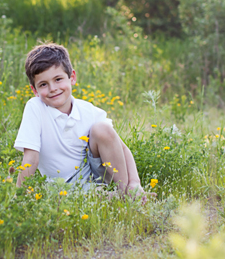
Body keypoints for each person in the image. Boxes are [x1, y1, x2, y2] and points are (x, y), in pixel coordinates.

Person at [12, 43, 151, 199]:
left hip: (96, 176)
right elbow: (31, 158)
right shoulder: (35, 108)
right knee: (96, 198)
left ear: (72, 77)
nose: (52, 88)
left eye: (58, 79)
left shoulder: (88, 111)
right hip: (63, 189)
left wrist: (135, 182)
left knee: (102, 129)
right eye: (43, 84)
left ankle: (127, 193)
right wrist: (19, 198)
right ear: (35, 90)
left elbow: (122, 149)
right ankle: (110, 197)